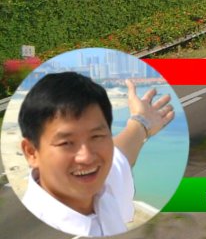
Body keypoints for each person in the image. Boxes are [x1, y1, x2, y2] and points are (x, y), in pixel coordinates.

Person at [18, 72, 175, 236]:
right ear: (31, 152)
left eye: (96, 136)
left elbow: (120, 155)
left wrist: (142, 122)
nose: (86, 157)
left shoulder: (102, 187)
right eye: (66, 143)